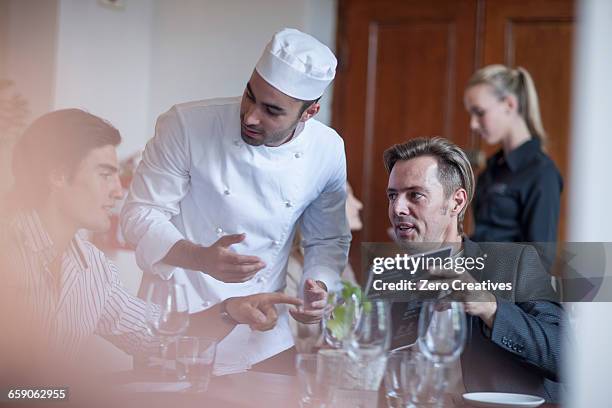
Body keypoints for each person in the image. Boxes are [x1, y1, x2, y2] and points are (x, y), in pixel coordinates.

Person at [0, 109, 302, 383]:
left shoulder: (91, 268)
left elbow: (159, 337)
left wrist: (231, 311)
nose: (118, 191)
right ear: (58, 175)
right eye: (104, 174)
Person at [120, 28, 351, 371]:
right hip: (178, 324)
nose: (250, 116)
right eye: (249, 95)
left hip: (263, 335)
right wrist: (200, 257)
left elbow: (327, 238)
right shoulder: (185, 124)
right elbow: (139, 216)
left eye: (272, 111)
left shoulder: (327, 149)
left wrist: (318, 286)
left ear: (309, 112)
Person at [383, 137, 562, 401]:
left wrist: (489, 306)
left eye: (415, 195)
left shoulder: (513, 263)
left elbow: (566, 356)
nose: (397, 208)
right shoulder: (392, 278)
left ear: (456, 202)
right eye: (392, 195)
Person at [464, 65, 563, 243]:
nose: (473, 124)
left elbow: (539, 260)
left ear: (509, 104)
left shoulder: (542, 173)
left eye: (479, 112)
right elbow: (486, 240)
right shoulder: (491, 169)